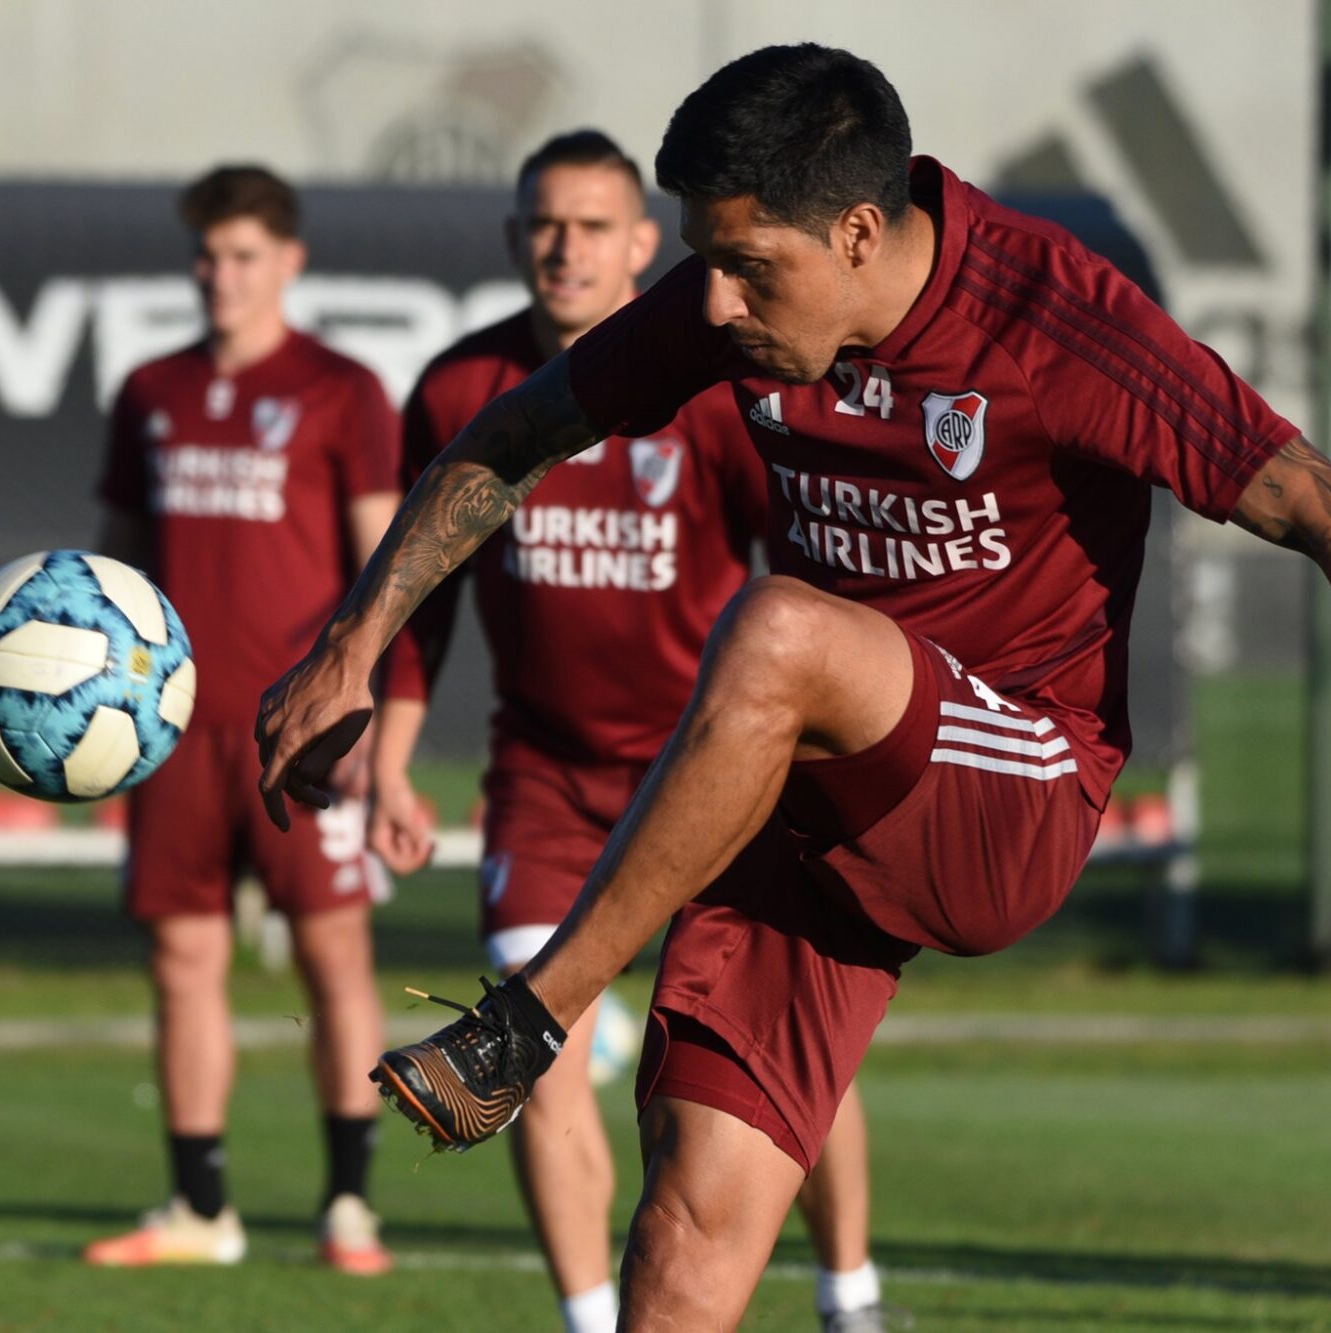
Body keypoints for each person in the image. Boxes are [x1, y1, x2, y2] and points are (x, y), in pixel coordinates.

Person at [256, 45, 1331, 1330]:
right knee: (686, 1228)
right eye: (704, 260)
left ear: (856, 235)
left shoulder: (1056, 318)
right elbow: (517, 431)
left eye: (743, 266)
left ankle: (531, 1021)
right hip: (810, 796)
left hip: (1016, 783)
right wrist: (350, 647)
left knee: (774, 627)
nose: (713, 303)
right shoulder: (741, 298)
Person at [372, 129, 886, 1333]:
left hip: (708, 777)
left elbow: (799, 578)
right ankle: (592, 1321)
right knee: (522, 1048)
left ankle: (847, 1294)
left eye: (593, 226)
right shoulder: (460, 391)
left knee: (770, 1056)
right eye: (545, 224)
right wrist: (390, 760)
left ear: (643, 245)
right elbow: (416, 594)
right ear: (512, 240)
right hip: (543, 780)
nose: (566, 247)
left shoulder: (711, 385)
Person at [85, 165, 401, 1274]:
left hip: (296, 734)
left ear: (289, 261)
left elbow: (382, 567)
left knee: (332, 959)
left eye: (244, 256)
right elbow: (114, 574)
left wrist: (362, 714)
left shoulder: (341, 388)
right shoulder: (151, 391)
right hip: (169, 731)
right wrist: (99, 721)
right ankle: (197, 1207)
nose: (221, 276)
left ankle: (349, 1207)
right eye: (207, 256)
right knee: (181, 959)